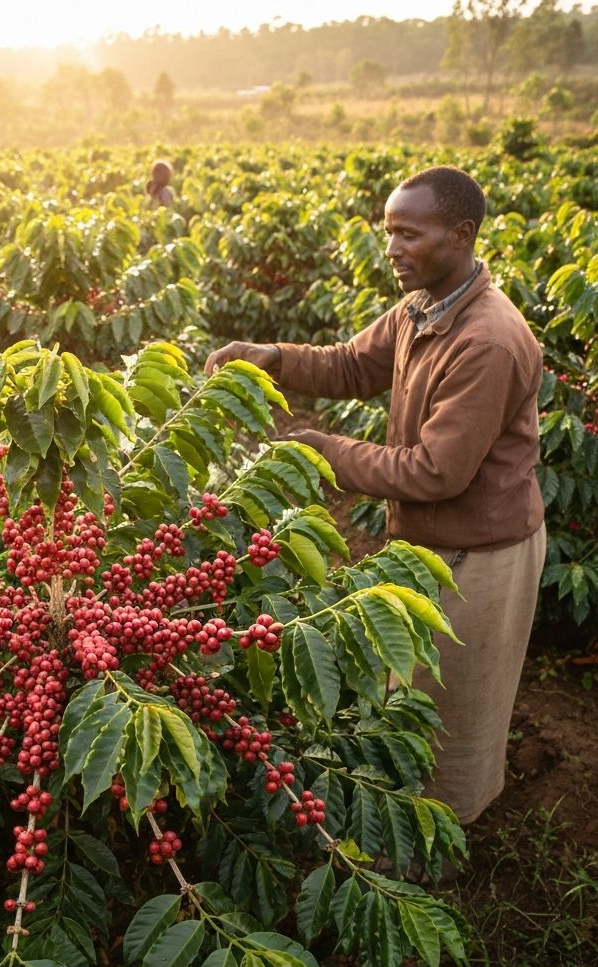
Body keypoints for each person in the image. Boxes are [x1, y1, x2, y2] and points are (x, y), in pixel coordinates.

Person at [205, 165, 546, 827]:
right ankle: (403, 815)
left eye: (407, 234)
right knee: (410, 687)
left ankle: (443, 839)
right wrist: (272, 354)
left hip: (482, 549)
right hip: (429, 539)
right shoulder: (423, 306)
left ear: (460, 235)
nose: (390, 248)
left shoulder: (487, 341)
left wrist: (320, 449)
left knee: (456, 707)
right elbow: (353, 364)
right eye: (387, 231)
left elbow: (433, 473)